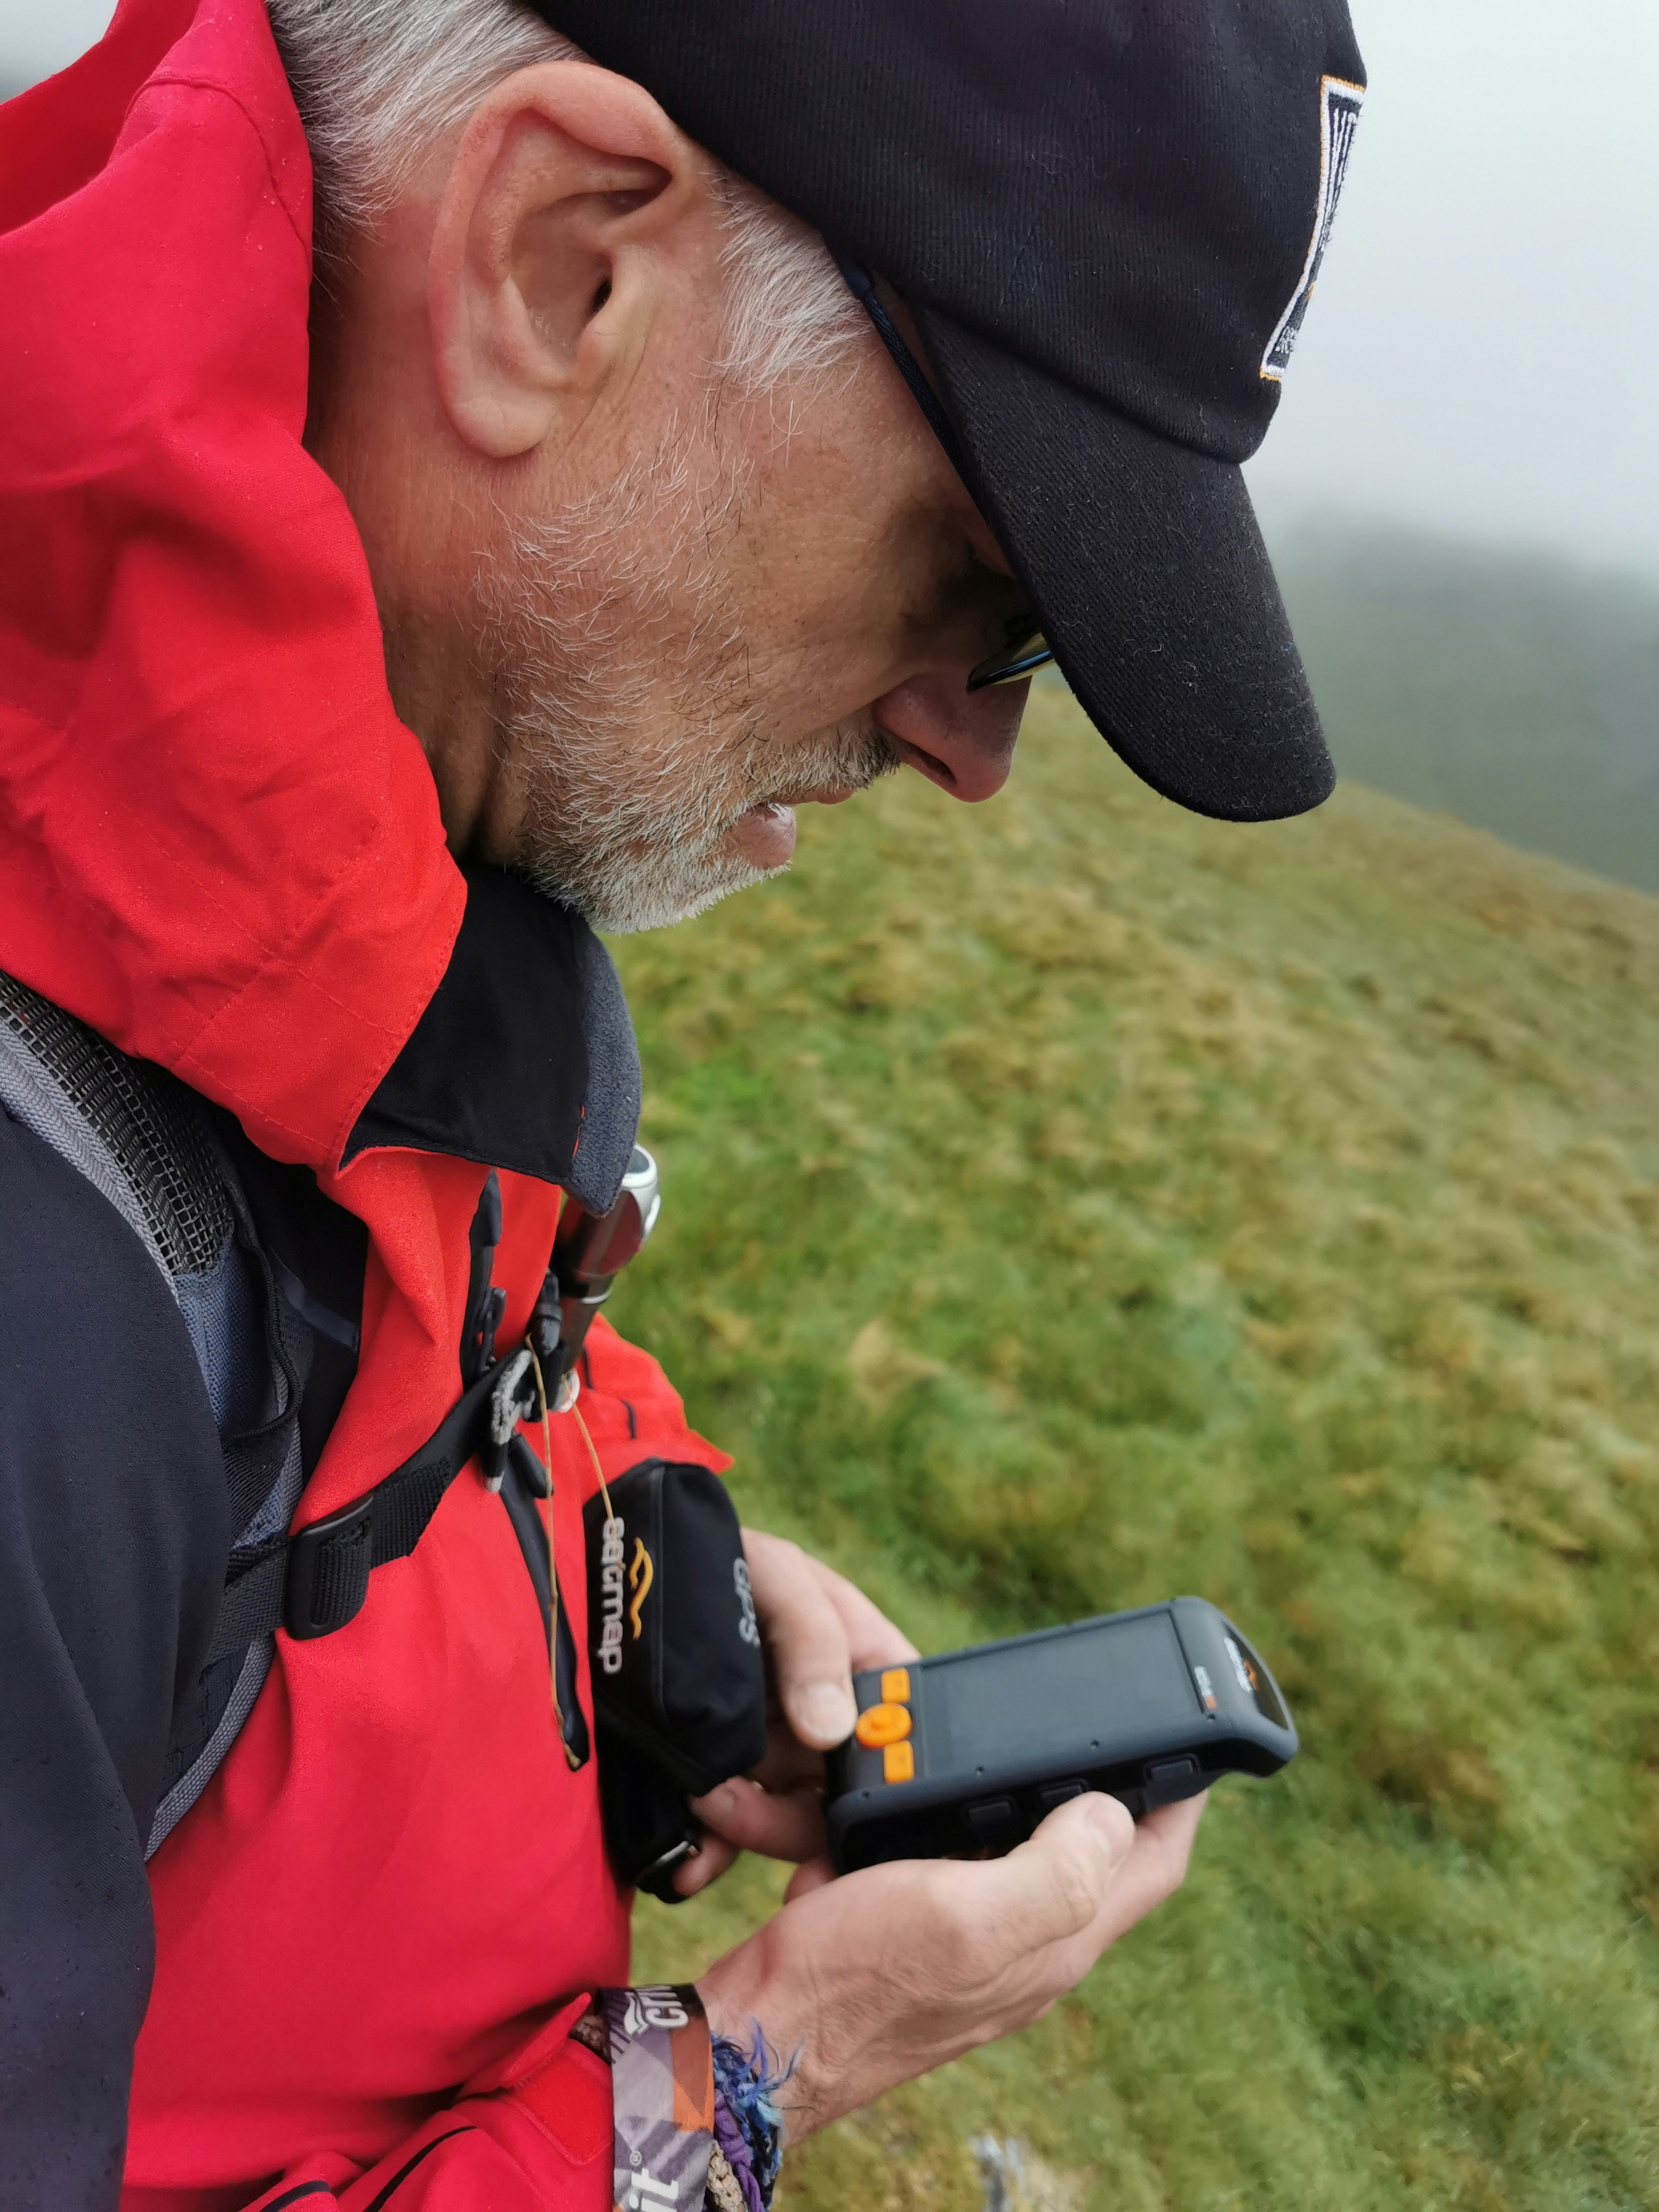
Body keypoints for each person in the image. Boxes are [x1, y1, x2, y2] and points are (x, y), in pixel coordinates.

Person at [0, 0, 1363, 2204]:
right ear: (559, 268)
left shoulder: (398, 827)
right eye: (974, 593)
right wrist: (733, 2080)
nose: (971, 748)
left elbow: (422, 1338)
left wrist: (641, 1570)